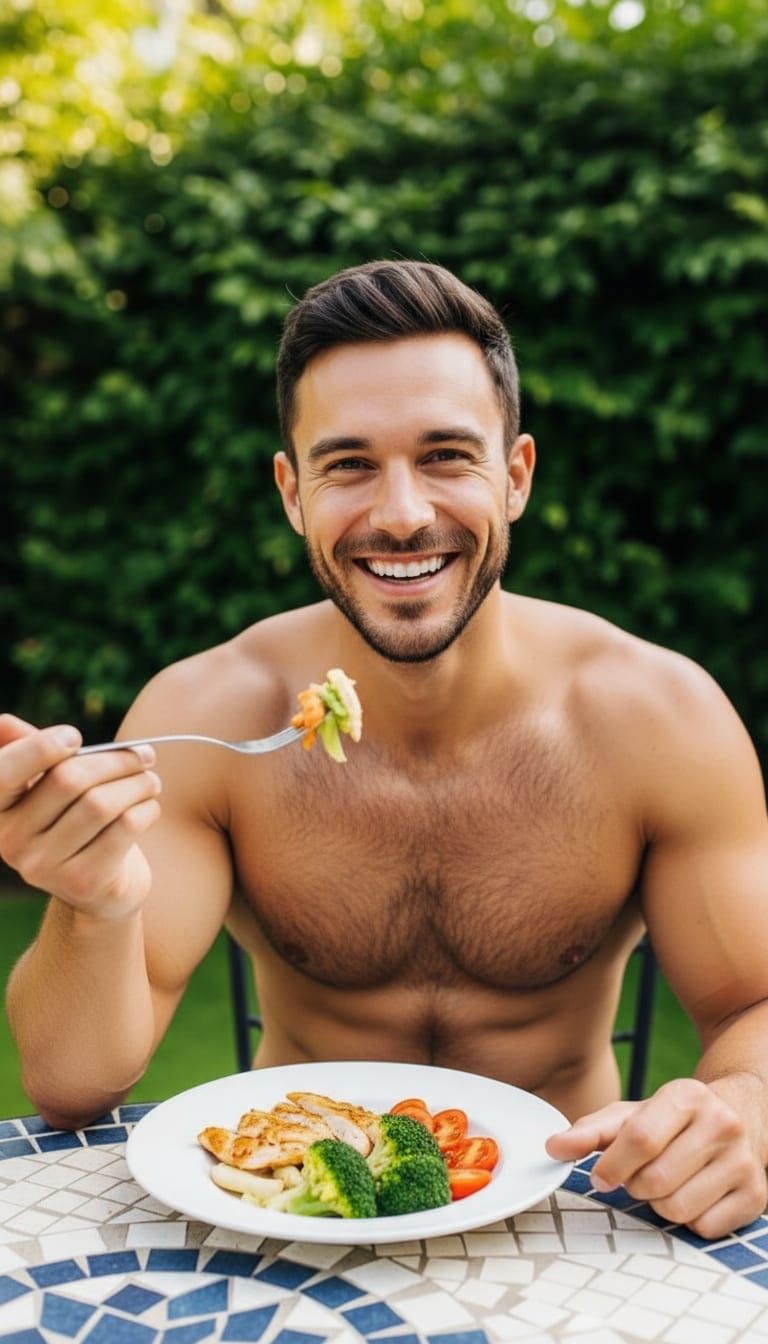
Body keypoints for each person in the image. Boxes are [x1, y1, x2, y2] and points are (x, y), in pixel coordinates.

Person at [3, 259, 768, 1240]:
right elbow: (70, 1085)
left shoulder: (660, 718)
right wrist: (92, 902)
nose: (402, 513)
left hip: (567, 1227)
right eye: (349, 464)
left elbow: (753, 1005)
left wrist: (739, 1111)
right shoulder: (208, 714)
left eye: (447, 455)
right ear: (291, 492)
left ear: (517, 475)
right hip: (288, 1223)